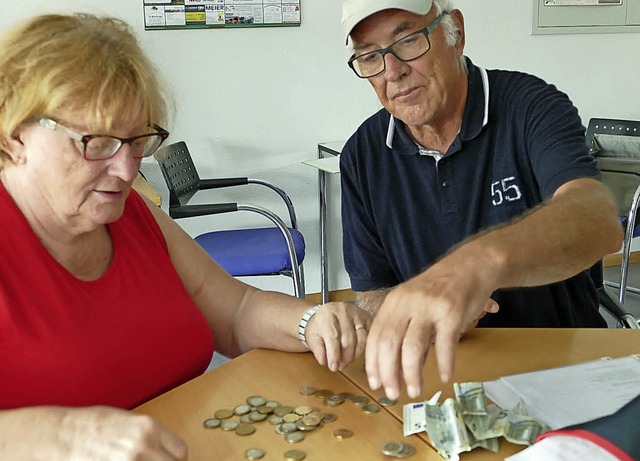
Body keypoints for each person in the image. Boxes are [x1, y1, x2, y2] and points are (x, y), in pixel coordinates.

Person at [0, 13, 371, 460]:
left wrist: (310, 322)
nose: (126, 170)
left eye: (137, 142)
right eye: (96, 142)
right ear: (15, 132)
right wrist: (65, 436)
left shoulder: (132, 215)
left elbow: (234, 311)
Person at [339, 0, 623, 401]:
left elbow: (597, 220)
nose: (393, 70)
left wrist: (477, 264)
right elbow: (371, 293)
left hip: (560, 366)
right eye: (370, 57)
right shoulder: (361, 155)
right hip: (438, 379)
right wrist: (430, 313)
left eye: (408, 41)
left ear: (455, 31)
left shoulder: (531, 106)